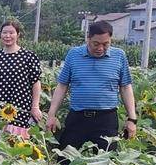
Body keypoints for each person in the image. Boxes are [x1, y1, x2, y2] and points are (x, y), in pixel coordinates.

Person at [47, 20, 137, 151]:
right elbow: (62, 86)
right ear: (88, 38)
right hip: (78, 118)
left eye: (106, 44)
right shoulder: (74, 54)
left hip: (106, 119)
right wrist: (51, 114)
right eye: (96, 44)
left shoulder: (119, 56)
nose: (100, 48)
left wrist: (132, 119)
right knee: (64, 161)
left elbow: (125, 87)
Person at [0, 19, 42, 137]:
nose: (7, 36)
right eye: (4, 33)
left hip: (22, 107)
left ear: (18, 34)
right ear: (0, 34)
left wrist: (35, 106)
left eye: (11, 33)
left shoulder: (29, 56)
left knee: (19, 146)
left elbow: (35, 83)